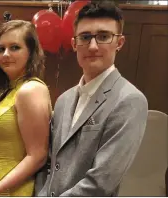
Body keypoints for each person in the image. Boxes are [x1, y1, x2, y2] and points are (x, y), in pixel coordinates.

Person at [35, 1, 148, 196]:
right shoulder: (63, 100)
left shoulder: (130, 100)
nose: (93, 46)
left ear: (119, 43)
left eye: (103, 36)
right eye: (85, 37)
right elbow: (49, 165)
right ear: (74, 43)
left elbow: (102, 182)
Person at [0, 19, 52, 196]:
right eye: (1, 49)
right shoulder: (10, 90)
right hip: (0, 189)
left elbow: (38, 156)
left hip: (16, 191)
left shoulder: (30, 90)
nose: (5, 54)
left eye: (15, 47)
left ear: (31, 52)